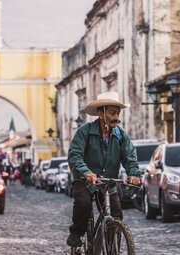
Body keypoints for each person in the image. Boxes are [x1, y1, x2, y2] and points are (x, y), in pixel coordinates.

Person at [66, 91, 141, 247]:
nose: (116, 117)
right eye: (112, 113)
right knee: (84, 204)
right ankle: (76, 233)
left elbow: (130, 156)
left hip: (108, 182)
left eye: (118, 113)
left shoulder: (120, 135)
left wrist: (133, 174)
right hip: (85, 180)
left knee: (116, 214)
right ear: (101, 114)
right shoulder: (85, 132)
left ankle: (113, 247)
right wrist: (86, 172)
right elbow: (75, 155)